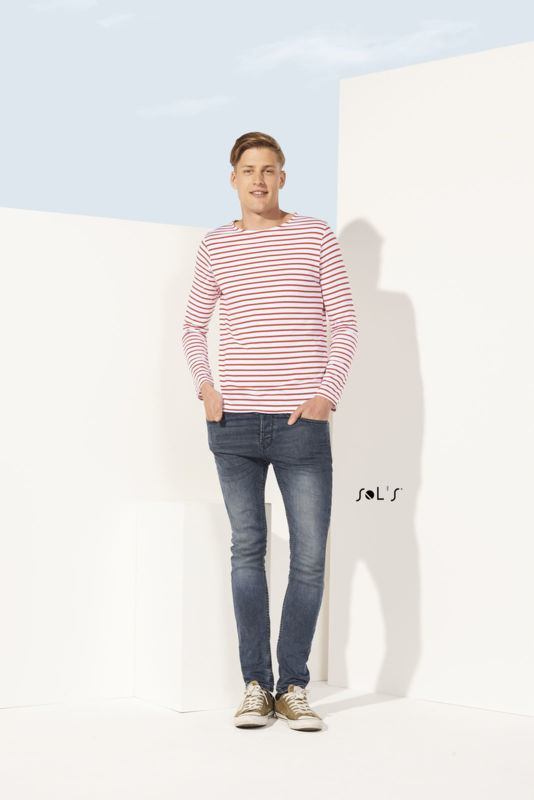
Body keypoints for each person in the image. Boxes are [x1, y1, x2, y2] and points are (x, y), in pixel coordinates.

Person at [181, 131, 358, 731]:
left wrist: (326, 393)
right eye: (249, 170)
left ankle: (294, 686)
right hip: (233, 423)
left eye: (269, 170)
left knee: (308, 557)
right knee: (247, 551)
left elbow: (345, 322)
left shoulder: (316, 235)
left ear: (283, 177)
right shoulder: (215, 245)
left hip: (299, 423)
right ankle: (256, 685)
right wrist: (206, 387)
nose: (259, 180)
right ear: (233, 179)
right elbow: (192, 326)